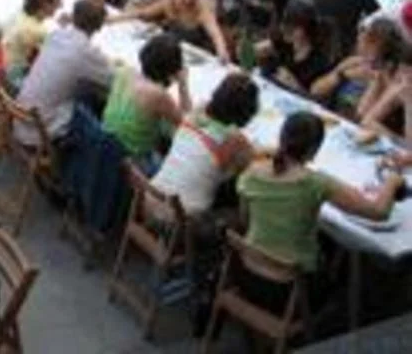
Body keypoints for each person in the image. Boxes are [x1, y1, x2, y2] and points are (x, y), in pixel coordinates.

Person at [238, 112, 402, 278]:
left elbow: (244, 218)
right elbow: (378, 211)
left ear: (281, 138)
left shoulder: (251, 173)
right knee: (330, 249)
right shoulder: (316, 183)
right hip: (292, 268)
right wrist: (392, 182)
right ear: (314, 150)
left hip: (250, 257)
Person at [150, 73, 258, 216]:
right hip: (184, 216)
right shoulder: (236, 141)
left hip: (151, 197)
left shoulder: (195, 114)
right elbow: (254, 163)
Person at [16, 0, 114, 146]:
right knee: (93, 103)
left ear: (73, 16)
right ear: (99, 27)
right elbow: (112, 80)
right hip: (41, 127)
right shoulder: (86, 51)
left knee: (82, 87)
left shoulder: (56, 34)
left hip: (20, 112)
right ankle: (75, 152)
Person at [102, 33, 190, 167]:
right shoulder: (157, 95)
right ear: (173, 68)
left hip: (106, 142)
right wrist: (183, 83)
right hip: (132, 158)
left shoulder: (125, 71)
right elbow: (187, 124)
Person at [114, 0, 231, 62]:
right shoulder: (168, 3)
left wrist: (222, 50)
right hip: (169, 53)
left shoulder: (202, 10)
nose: (187, 0)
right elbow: (143, 13)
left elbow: (215, 33)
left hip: (192, 58)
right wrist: (116, 18)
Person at [311, 17, 404, 118]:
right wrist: (343, 75)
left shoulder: (386, 77)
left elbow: (360, 115)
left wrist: (374, 83)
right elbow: (315, 90)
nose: (359, 41)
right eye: (361, 38)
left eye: (369, 42)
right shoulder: (353, 62)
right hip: (331, 114)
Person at [258, 1, 331, 94]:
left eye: (293, 27)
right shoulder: (281, 44)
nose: (284, 29)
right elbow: (250, 52)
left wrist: (295, 86)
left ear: (306, 30)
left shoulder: (319, 63)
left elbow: (315, 98)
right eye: (285, 24)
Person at [0, 0, 63, 81]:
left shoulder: (20, 13)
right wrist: (65, 28)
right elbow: (58, 52)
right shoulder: (38, 31)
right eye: (57, 3)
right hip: (10, 78)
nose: (60, 6)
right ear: (45, 4)